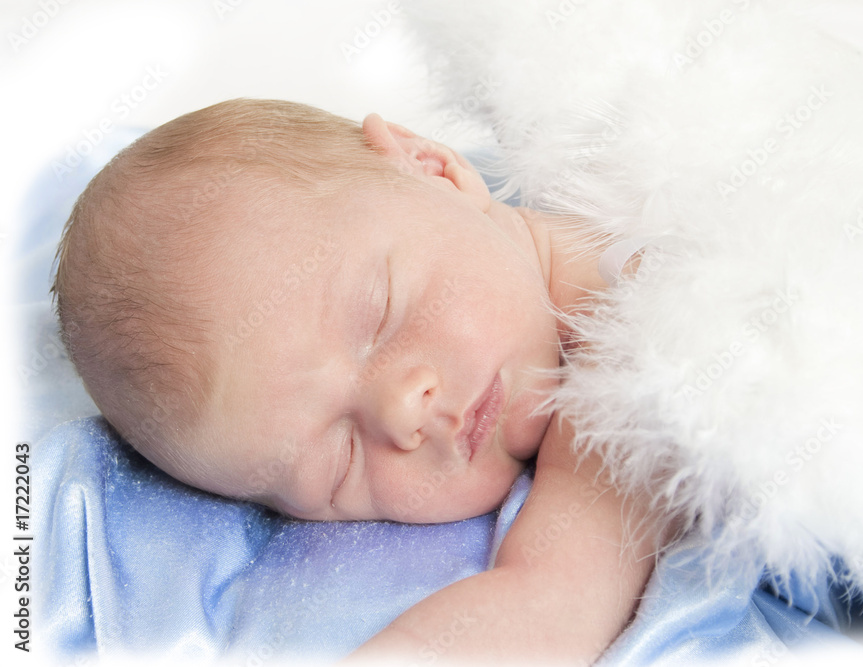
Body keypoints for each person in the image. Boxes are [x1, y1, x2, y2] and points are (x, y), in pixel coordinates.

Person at [52, 98, 668, 664]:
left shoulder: (638, 330)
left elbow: (550, 604)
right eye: (339, 461)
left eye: (382, 316)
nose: (403, 411)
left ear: (431, 168)